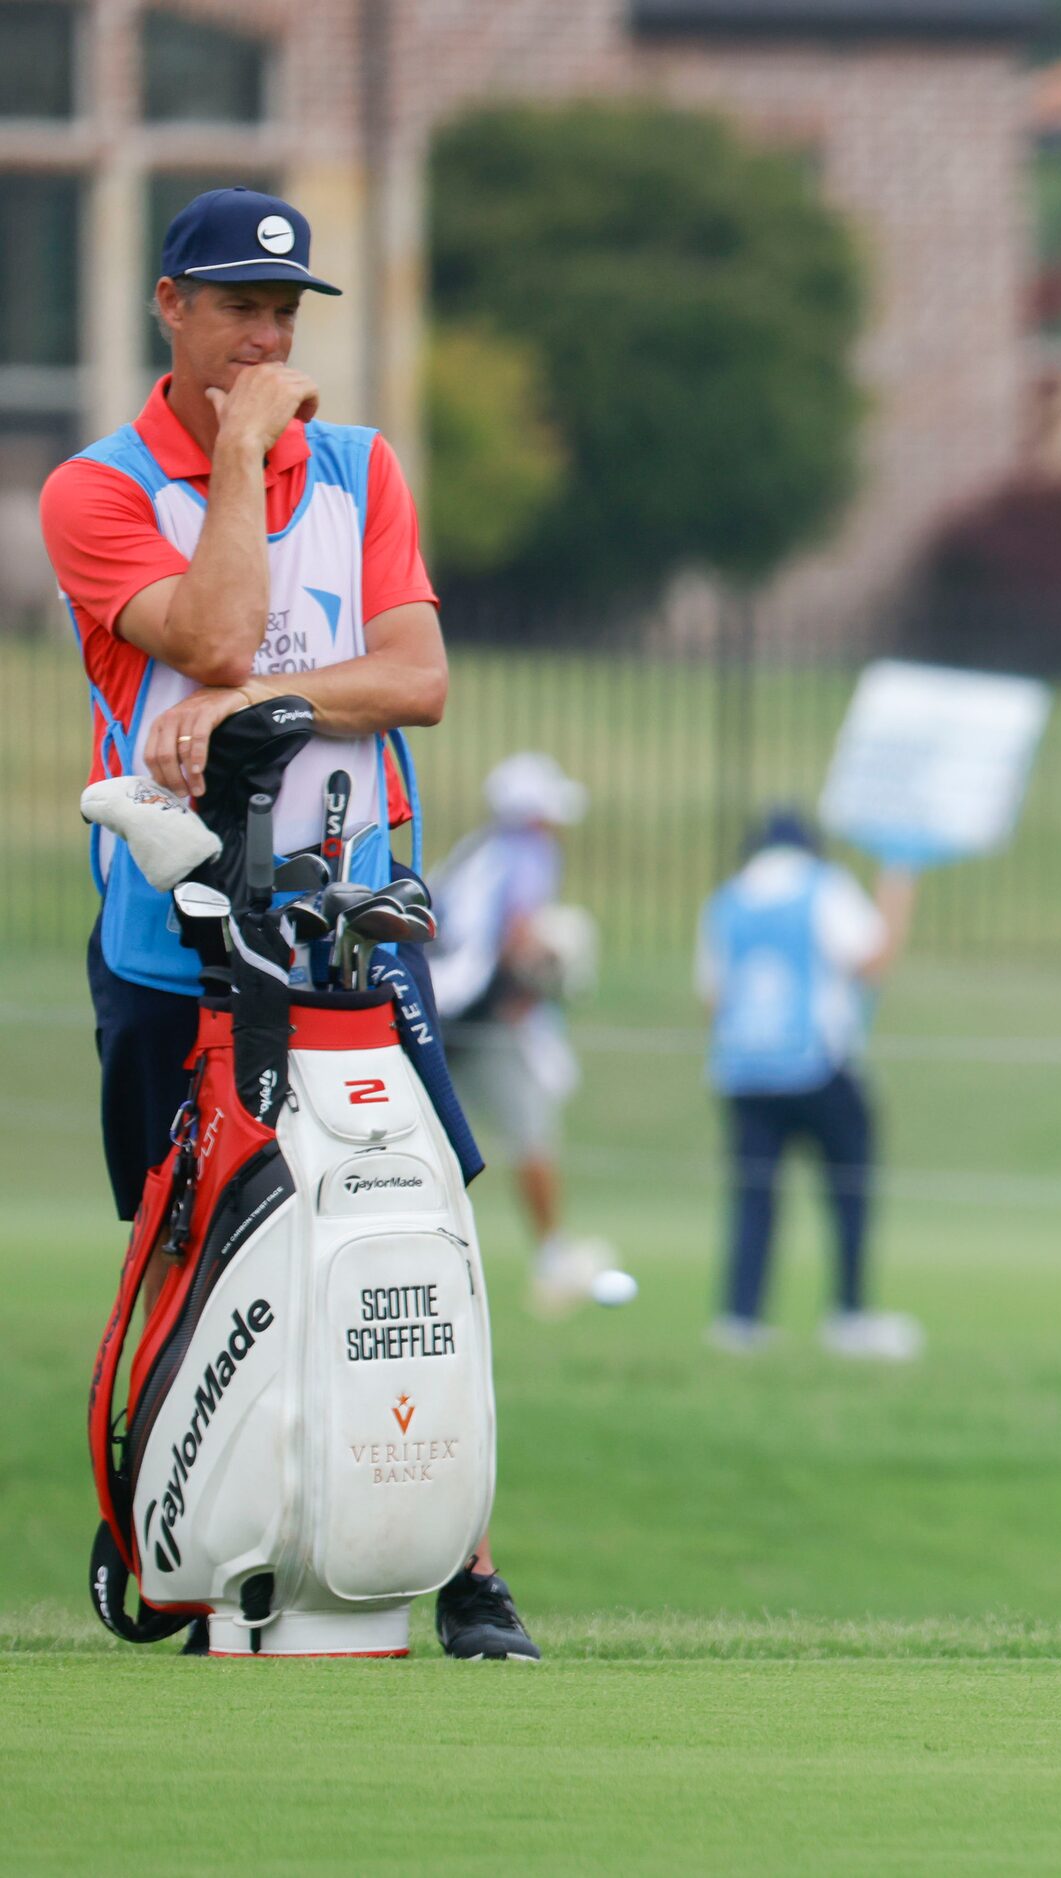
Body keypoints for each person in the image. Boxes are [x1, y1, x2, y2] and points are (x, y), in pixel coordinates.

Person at [39, 188, 537, 1661]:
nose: (269, 338)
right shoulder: (100, 487)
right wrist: (247, 456)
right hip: (169, 934)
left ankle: (464, 1566)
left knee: (418, 1221)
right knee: (195, 1236)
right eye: (240, 309)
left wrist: (252, 708)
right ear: (170, 310)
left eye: (287, 314)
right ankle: (204, 1550)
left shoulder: (367, 467)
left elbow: (417, 677)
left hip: (356, 912)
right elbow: (211, 631)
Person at [696, 811, 923, 1360]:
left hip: (744, 1072)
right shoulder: (825, 887)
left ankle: (740, 1318)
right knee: (849, 1191)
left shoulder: (726, 901)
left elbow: (712, 995)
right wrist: (899, 892)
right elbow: (871, 960)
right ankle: (849, 1313)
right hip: (819, 1065)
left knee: (754, 1197)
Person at [431, 752, 621, 1313]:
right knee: (531, 1130)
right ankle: (553, 1258)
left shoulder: (472, 852)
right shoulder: (529, 853)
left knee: (434, 1135)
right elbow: (518, 936)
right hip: (482, 1015)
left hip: (434, 1009)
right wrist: (544, 980)